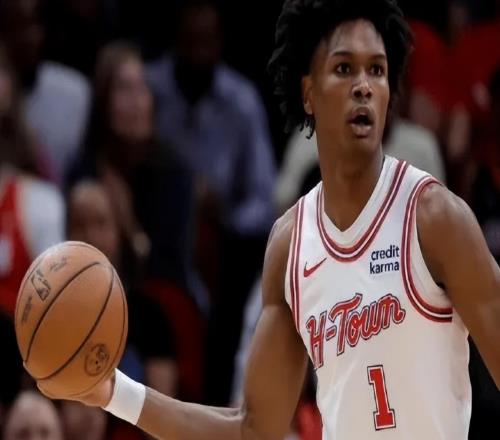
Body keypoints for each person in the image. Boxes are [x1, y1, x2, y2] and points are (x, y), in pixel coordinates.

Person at [38, 1, 500, 439]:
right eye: (344, 68)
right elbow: (253, 430)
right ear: (308, 92)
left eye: (376, 70)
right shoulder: (291, 245)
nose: (364, 85)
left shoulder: (434, 218)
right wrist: (113, 392)